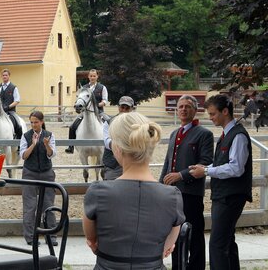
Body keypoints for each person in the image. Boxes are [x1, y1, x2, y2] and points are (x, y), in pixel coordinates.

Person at [84, 112, 184, 269]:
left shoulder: (97, 192)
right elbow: (167, 247)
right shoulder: (173, 196)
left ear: (116, 148)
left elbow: (92, 241)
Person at [189, 94, 253, 270]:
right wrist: (204, 168)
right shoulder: (228, 134)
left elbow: (236, 168)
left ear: (225, 111)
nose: (210, 118)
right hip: (225, 196)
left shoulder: (238, 135)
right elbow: (224, 164)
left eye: (212, 114)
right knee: (227, 243)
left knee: (217, 245)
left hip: (230, 197)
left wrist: (207, 170)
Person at [159, 95, 213, 270]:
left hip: (191, 193)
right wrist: (161, 186)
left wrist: (180, 175)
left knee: (194, 234)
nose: (183, 109)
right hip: (173, 194)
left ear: (195, 110)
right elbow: (168, 163)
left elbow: (205, 162)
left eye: (187, 106)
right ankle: (178, 266)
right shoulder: (175, 133)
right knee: (175, 233)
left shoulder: (204, 134)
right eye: (180, 106)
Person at [19, 111, 57, 246]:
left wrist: (46, 145)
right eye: (31, 122)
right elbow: (23, 156)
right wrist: (33, 144)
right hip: (30, 172)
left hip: (46, 172)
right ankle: (30, 237)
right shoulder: (25, 136)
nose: (33, 125)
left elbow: (52, 155)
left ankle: (51, 236)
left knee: (48, 205)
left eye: (36, 122)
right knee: (30, 206)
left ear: (41, 122)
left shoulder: (50, 135)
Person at [66, 69, 109, 154]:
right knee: (72, 126)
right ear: (88, 76)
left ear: (97, 76)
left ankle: (110, 146)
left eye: (94, 76)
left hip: (99, 112)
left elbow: (105, 101)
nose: (92, 77)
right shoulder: (84, 88)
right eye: (91, 76)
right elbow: (80, 99)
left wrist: (96, 105)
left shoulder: (102, 87)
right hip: (84, 112)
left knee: (110, 122)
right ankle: (71, 146)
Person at [100, 96, 135, 180]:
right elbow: (107, 141)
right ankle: (71, 146)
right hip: (113, 165)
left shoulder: (136, 123)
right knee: (74, 126)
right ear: (119, 107)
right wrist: (121, 145)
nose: (124, 110)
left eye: (127, 108)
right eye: (122, 107)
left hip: (132, 164)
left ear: (132, 109)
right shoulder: (109, 122)